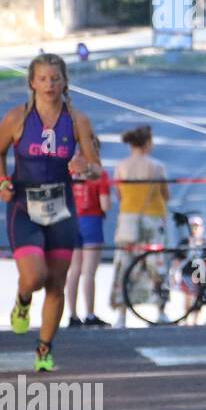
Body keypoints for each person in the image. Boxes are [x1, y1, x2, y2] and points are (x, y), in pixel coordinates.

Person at [1, 54, 102, 371]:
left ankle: (44, 349)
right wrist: (2, 180)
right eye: (43, 79)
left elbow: (97, 168)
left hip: (61, 207)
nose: (49, 85)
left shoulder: (77, 121)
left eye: (55, 79)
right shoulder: (17, 118)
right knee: (34, 276)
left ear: (65, 82)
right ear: (31, 82)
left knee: (57, 282)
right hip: (24, 205)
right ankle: (22, 299)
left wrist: (86, 166)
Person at [109, 126, 170, 327]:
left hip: (128, 218)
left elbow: (119, 194)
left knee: (124, 265)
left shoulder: (121, 166)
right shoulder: (157, 166)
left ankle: (121, 314)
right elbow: (165, 194)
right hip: (153, 217)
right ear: (147, 143)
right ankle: (161, 310)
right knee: (156, 264)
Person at [67, 135, 112, 327]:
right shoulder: (99, 174)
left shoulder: (70, 170)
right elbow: (106, 204)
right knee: (89, 272)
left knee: (74, 270)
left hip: (71, 220)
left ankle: (72, 314)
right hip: (92, 220)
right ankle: (90, 314)